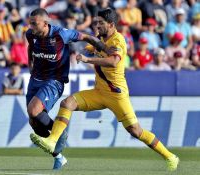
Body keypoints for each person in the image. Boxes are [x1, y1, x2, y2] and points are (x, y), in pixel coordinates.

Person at [30, 8, 179, 172]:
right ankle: (53, 140)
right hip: (99, 92)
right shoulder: (100, 39)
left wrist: (88, 59)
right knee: (67, 103)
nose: (97, 25)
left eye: (101, 22)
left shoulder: (118, 40)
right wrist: (82, 52)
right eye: (96, 22)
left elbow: (113, 61)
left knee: (136, 131)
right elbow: (89, 47)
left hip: (116, 95)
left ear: (112, 25)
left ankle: (170, 156)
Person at [26, 8, 115, 170]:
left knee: (34, 110)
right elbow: (31, 47)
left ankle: (59, 133)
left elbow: (87, 37)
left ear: (45, 23)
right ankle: (59, 156)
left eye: (34, 23)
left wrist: (105, 49)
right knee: (35, 123)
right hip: (35, 79)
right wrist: (29, 64)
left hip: (54, 80)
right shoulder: (30, 34)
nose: (31, 26)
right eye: (30, 23)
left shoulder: (61, 34)